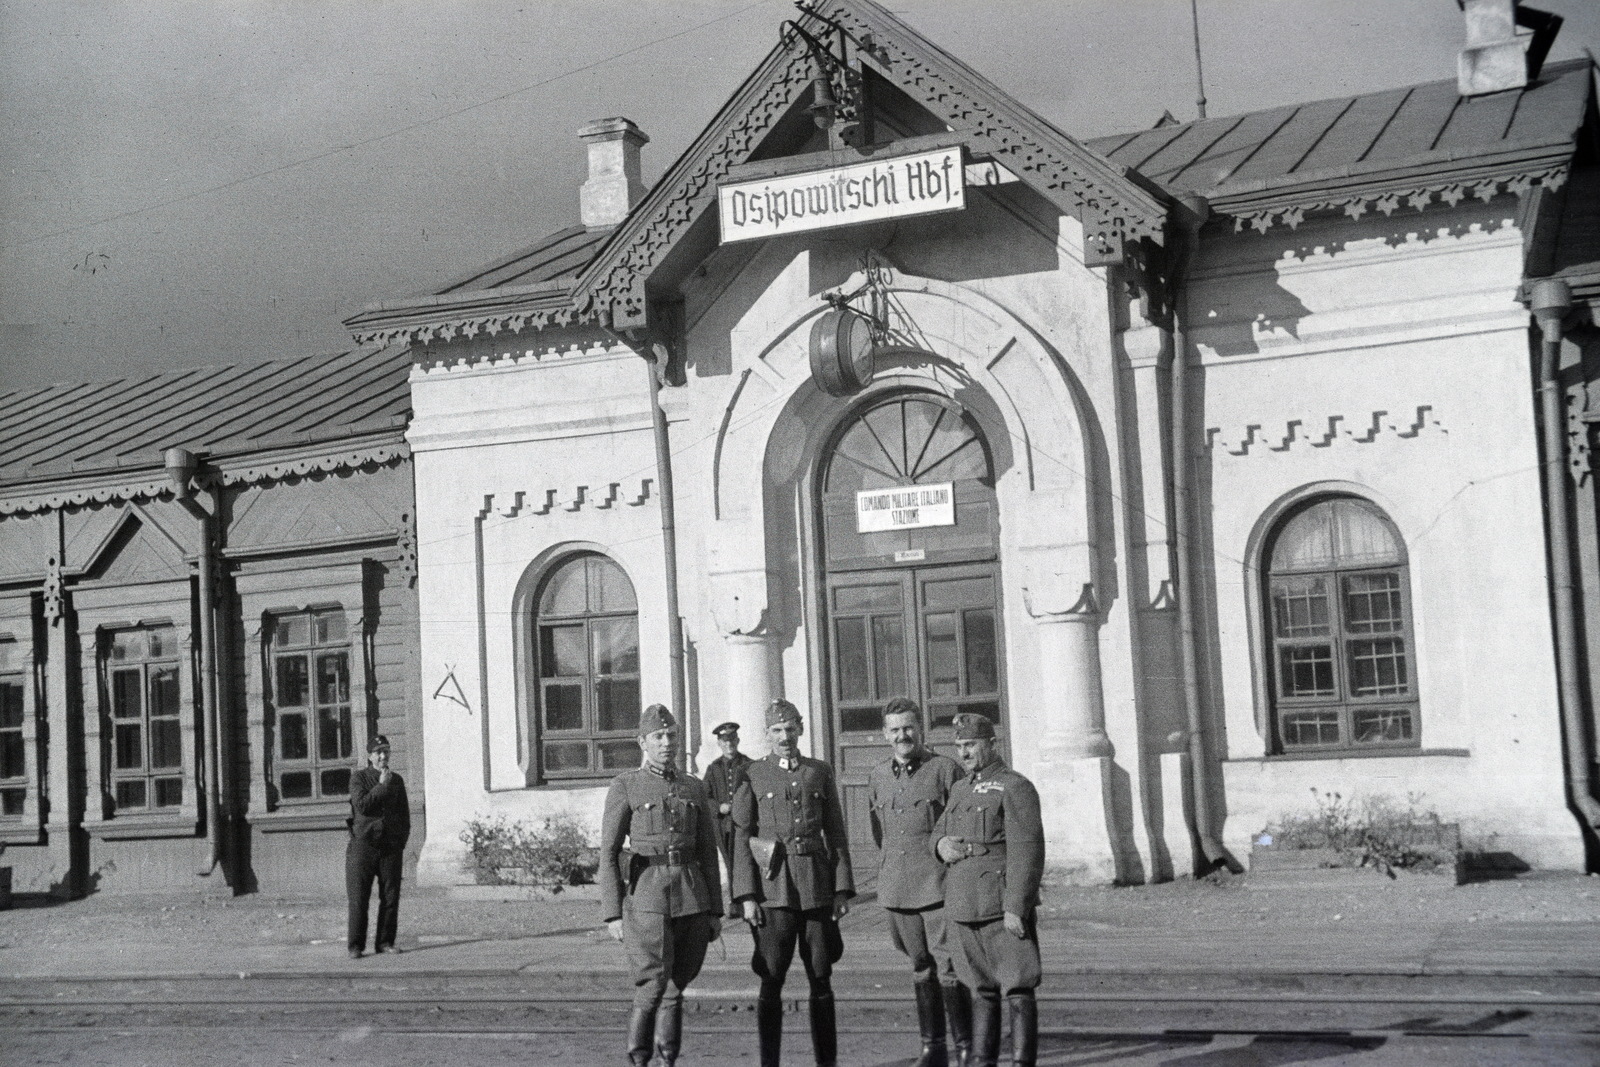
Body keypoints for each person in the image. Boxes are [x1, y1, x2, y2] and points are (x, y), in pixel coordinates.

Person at [731, 699, 855, 1067]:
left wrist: (842, 888)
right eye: (776, 731)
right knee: (772, 977)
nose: (784, 737)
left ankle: (826, 1063)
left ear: (801, 728)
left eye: (790, 729)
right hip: (773, 890)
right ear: (767, 735)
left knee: (821, 975)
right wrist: (747, 895)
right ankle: (770, 1063)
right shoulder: (751, 775)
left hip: (816, 887)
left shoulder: (820, 771)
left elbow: (835, 831)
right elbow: (742, 836)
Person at [600, 704, 723, 1067]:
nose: (667, 742)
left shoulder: (693, 787)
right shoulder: (626, 785)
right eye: (658, 736)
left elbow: (707, 850)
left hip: (692, 896)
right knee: (652, 985)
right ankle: (638, 1060)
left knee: (676, 987)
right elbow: (607, 853)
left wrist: (715, 909)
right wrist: (612, 914)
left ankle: (668, 1060)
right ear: (643, 742)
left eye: (672, 735)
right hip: (647, 897)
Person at [932, 713, 1044, 1067]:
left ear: (991, 744)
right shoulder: (960, 788)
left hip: (1000, 907)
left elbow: (1027, 850)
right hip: (963, 905)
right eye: (960, 746)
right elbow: (937, 833)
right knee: (980, 989)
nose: (964, 753)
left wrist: (1017, 905)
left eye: (971, 745)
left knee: (1018, 987)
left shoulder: (1015, 787)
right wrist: (940, 846)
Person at [869, 697, 970, 1067]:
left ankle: (965, 1048)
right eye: (894, 730)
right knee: (919, 966)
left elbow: (963, 825)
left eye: (908, 727)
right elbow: (879, 832)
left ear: (920, 729)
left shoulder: (945, 770)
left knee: (949, 967)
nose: (902, 736)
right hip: (896, 887)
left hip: (937, 885)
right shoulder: (878, 775)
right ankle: (933, 1047)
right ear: (884, 734)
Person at [346, 734, 410, 959]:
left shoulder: (397, 780)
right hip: (363, 846)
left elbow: (404, 816)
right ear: (370, 756)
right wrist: (381, 786)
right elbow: (362, 805)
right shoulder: (359, 778)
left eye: (386, 751)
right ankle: (356, 946)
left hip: (390, 848)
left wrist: (400, 843)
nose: (383, 756)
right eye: (378, 752)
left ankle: (385, 942)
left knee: (390, 897)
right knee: (359, 898)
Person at [702, 720, 752, 920]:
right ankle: (735, 902)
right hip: (723, 825)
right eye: (724, 741)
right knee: (730, 862)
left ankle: (749, 899)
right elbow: (705, 797)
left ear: (737, 740)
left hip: (745, 825)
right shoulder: (713, 769)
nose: (729, 744)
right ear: (719, 744)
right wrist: (719, 807)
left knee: (746, 861)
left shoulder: (748, 764)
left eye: (732, 739)